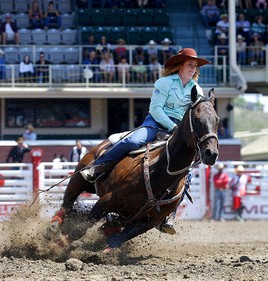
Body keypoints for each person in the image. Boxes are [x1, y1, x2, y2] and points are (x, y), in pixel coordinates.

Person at [80, 48, 211, 234]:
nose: (193, 68)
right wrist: (173, 128)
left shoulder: (196, 89)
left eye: (195, 66)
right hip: (156, 124)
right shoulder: (164, 82)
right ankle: (98, 167)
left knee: (186, 168)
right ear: (179, 65)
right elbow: (156, 109)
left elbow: (195, 114)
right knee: (132, 141)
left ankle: (168, 214)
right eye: (190, 64)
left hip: (180, 131)